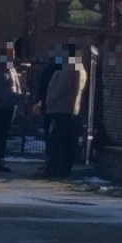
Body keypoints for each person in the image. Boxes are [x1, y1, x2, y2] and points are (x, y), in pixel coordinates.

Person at [44, 45, 88, 178]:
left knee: (58, 139)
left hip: (62, 107)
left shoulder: (70, 66)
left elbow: (63, 87)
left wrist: (50, 100)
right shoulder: (82, 68)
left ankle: (54, 169)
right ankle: (64, 169)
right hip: (73, 108)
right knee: (68, 140)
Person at [0, 43, 23, 172]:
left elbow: (16, 86)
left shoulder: (11, 70)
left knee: (4, 134)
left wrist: (18, 97)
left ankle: (0, 160)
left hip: (9, 106)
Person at [33, 45, 63, 164]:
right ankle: (53, 154)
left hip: (47, 102)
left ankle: (49, 153)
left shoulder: (48, 70)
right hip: (57, 104)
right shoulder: (62, 70)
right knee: (55, 130)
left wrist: (39, 100)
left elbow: (41, 87)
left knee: (48, 129)